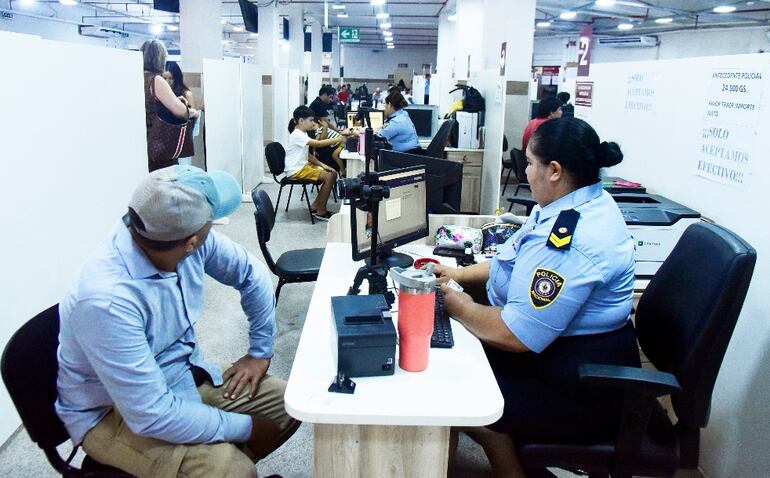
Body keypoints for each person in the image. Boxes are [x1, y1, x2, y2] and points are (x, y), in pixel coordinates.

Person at [56, 165, 300, 478]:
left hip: (180, 373)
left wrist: (259, 352)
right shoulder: (107, 301)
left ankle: (203, 458)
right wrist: (246, 427)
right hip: (112, 412)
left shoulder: (176, 236)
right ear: (191, 241)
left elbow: (252, 275)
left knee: (289, 405)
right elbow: (151, 413)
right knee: (233, 470)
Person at [427, 118, 636, 478]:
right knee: (455, 358)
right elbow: (509, 261)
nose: (524, 171)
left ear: (554, 170)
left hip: (581, 388)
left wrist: (458, 305)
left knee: (455, 392)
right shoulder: (570, 203)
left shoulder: (569, 241)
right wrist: (458, 275)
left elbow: (514, 334)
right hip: (559, 357)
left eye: (529, 162)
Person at [141, 40, 199, 172]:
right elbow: (180, 112)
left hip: (141, 145)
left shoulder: (134, 78)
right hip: (158, 146)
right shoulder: (155, 80)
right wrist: (193, 113)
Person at [285, 106, 344, 220]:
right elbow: (318, 144)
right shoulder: (297, 134)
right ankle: (321, 211)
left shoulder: (303, 133)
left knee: (331, 173)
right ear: (301, 121)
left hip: (303, 166)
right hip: (296, 170)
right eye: (311, 120)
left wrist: (323, 165)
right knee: (330, 176)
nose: (313, 123)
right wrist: (339, 138)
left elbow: (308, 155)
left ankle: (316, 206)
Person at [164, 60, 198, 166]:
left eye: (171, 78)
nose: (167, 82)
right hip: (165, 142)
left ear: (177, 78)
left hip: (182, 141)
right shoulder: (161, 94)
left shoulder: (186, 94)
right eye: (164, 78)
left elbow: (193, 122)